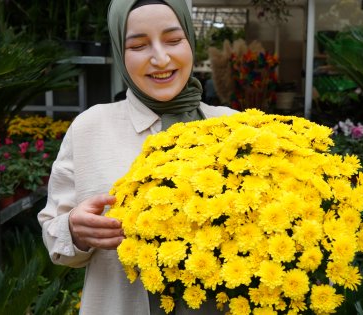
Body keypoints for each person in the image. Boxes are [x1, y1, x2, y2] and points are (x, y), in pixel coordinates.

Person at [37, 0, 235, 314]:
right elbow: (54, 237)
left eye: (173, 40)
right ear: (119, 50)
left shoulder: (235, 129)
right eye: (139, 45)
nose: (160, 58)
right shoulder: (90, 128)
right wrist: (74, 231)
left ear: (190, 42)